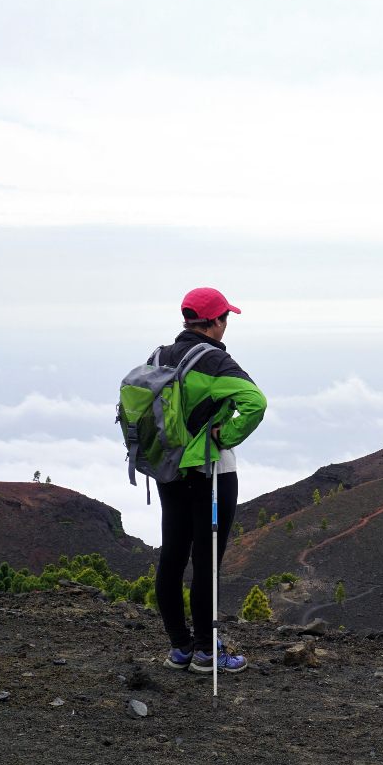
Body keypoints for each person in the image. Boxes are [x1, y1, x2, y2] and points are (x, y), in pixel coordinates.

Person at [156, 287, 267, 675]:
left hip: (168, 469)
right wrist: (225, 435)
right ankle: (207, 652)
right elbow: (256, 402)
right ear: (216, 321)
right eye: (226, 319)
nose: (226, 326)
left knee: (172, 555)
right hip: (210, 472)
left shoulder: (161, 356)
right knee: (206, 561)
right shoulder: (216, 361)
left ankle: (180, 648)